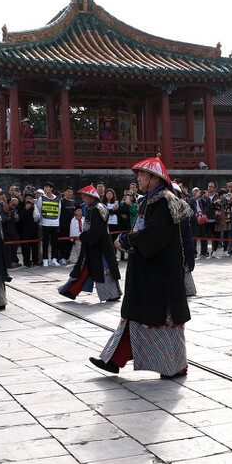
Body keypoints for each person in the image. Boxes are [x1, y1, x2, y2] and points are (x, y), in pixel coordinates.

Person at [89, 156, 191, 379]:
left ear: (155, 178)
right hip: (147, 271)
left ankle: (176, 365)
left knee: (161, 320)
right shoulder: (148, 200)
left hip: (160, 274)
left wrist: (128, 240)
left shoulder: (164, 201)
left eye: (142, 175)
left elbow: (156, 235)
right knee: (134, 315)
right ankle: (113, 359)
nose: (139, 178)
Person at [60, 185, 122, 302]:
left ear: (91, 197)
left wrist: (84, 236)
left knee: (104, 272)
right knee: (85, 269)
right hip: (96, 245)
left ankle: (111, 294)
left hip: (98, 247)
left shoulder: (96, 209)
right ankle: (70, 290)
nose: (83, 200)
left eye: (84, 197)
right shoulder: (98, 207)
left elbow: (97, 230)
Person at [35, 182, 62, 266]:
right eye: (44, 187)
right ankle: (45, 259)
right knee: (45, 242)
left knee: (55, 242)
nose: (45, 189)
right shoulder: (41, 198)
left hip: (55, 223)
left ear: (51, 188)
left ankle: (54, 259)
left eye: (47, 187)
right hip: (45, 223)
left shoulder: (57, 199)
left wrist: (57, 220)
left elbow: (59, 212)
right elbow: (39, 210)